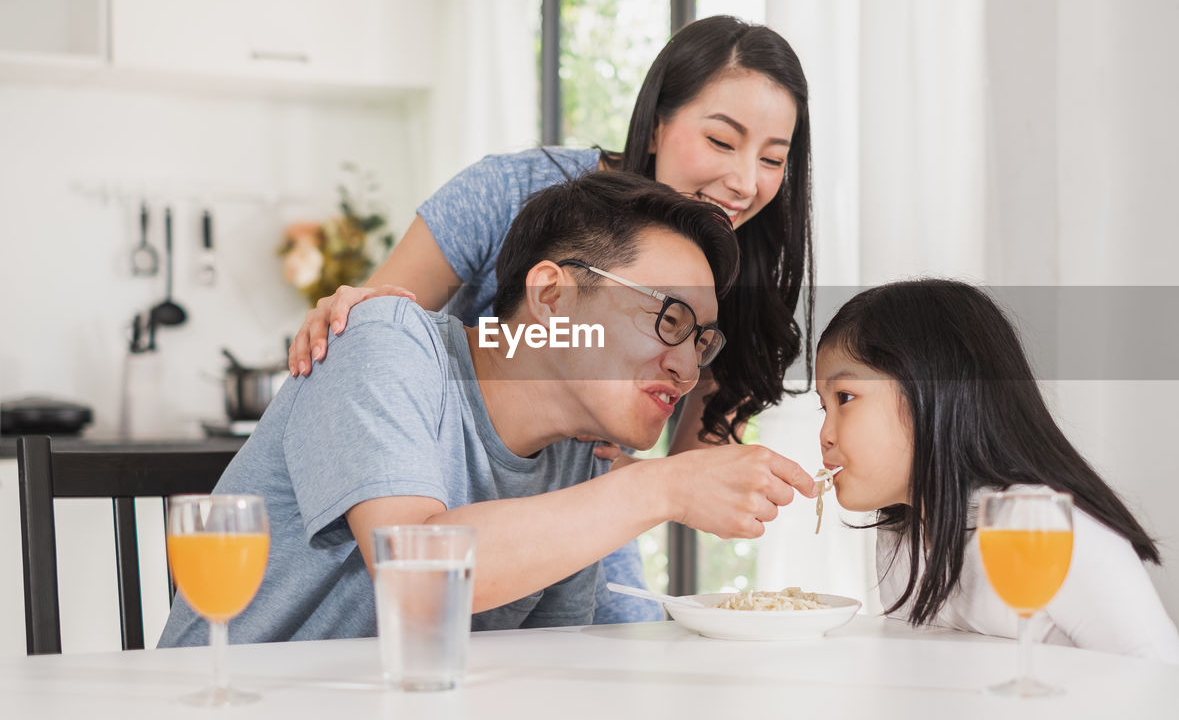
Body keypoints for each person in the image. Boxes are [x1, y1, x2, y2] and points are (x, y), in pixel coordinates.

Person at [286, 15, 814, 622]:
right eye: (722, 142)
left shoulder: (732, 272)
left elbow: (690, 466)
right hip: (440, 479)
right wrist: (357, 316)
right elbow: (383, 326)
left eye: (774, 159)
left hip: (570, 480)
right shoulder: (515, 193)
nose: (745, 182)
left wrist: (666, 480)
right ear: (658, 124)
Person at [160, 171, 816, 646]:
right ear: (553, 295)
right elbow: (413, 570)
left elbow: (547, 673)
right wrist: (659, 485)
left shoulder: (579, 457)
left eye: (702, 339)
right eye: (669, 319)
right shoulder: (384, 340)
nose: (688, 364)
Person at [814, 279, 1179, 664]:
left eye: (845, 397)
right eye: (822, 407)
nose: (824, 434)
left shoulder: (1047, 527)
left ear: (936, 390)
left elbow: (1169, 683)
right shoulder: (900, 532)